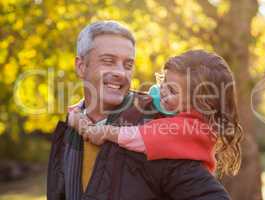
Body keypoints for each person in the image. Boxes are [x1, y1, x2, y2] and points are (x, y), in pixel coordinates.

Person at [47, 20, 231, 200]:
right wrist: (75, 118)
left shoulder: (160, 127)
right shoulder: (69, 128)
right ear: (81, 66)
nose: (120, 72)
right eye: (108, 61)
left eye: (128, 65)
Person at [68, 49, 243, 176]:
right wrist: (79, 109)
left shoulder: (192, 129)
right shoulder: (173, 105)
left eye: (173, 90)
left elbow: (139, 137)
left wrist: (105, 131)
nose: (164, 91)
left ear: (201, 103)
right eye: (164, 82)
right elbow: (136, 98)